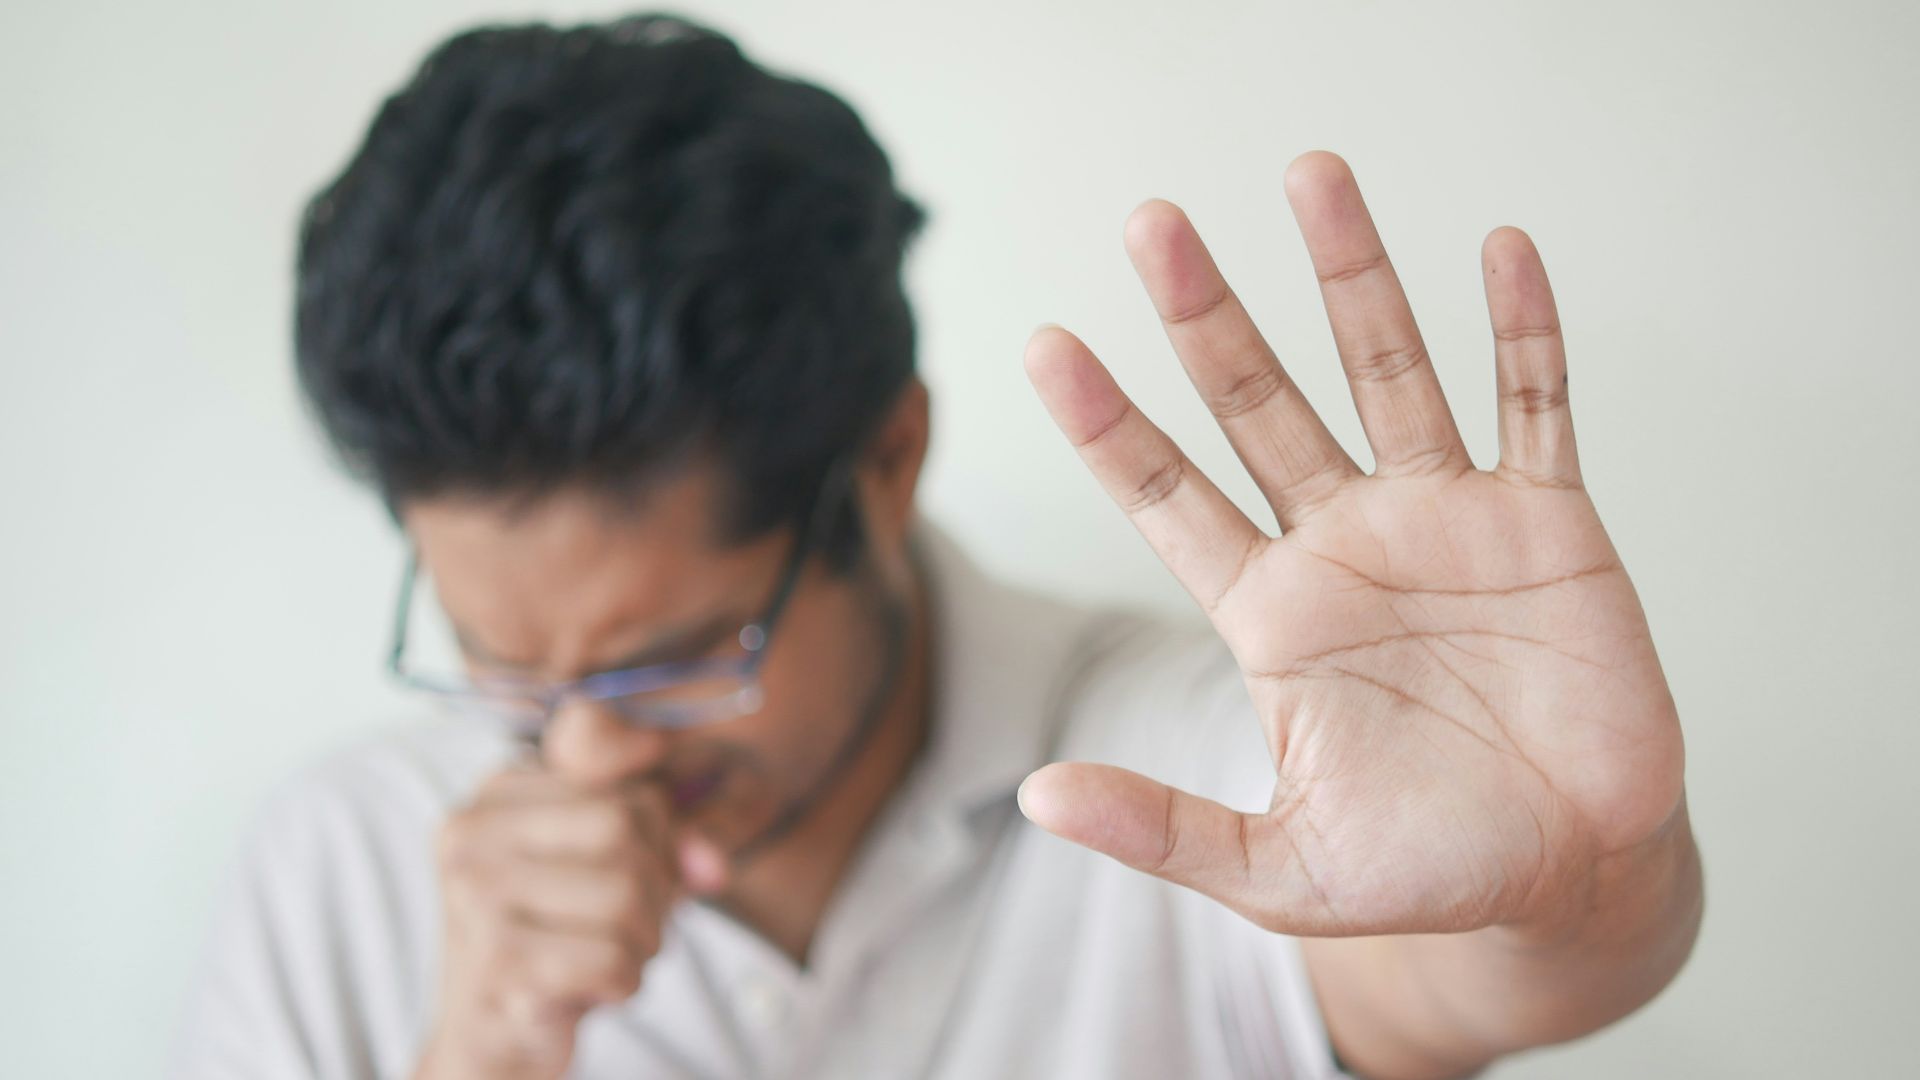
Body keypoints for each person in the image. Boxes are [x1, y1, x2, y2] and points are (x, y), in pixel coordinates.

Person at [170, 12, 1703, 1080]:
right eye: (501, 670)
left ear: (888, 462)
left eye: (681, 662)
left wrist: (1574, 885)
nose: (586, 757)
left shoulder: (1196, 756)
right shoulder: (339, 868)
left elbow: (1457, 972)